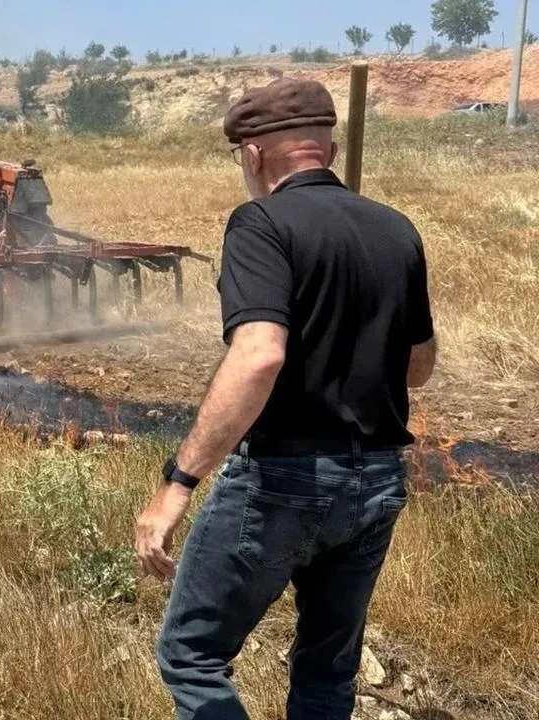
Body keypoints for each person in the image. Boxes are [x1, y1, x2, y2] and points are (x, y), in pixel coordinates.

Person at [134, 78, 437, 720]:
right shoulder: (396, 229)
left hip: (284, 479)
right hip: (378, 479)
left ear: (254, 154)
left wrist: (178, 483)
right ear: (325, 149)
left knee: (190, 654)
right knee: (328, 670)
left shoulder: (260, 223)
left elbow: (259, 354)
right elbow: (418, 368)